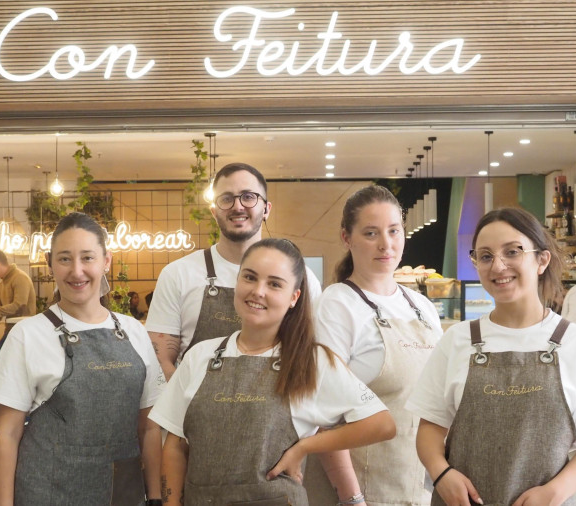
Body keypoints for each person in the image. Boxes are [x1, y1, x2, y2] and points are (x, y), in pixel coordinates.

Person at [406, 208, 576, 506]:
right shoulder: (457, 341)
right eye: (485, 256)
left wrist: (555, 492)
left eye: (512, 252)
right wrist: (441, 474)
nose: (498, 266)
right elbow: (430, 430)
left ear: (542, 260)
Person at [151, 238, 396, 505]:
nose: (258, 291)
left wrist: (305, 446)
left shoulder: (311, 361)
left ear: (294, 297)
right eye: (250, 277)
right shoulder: (199, 357)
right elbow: (175, 445)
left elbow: (381, 424)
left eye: (274, 284)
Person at [0, 212, 164, 505]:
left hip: (122, 492)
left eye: (88, 258)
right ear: (50, 262)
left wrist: (155, 497)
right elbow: (7, 433)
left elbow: (149, 426)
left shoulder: (133, 331)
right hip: (48, 492)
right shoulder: (28, 335)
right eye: (65, 259)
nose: (76, 271)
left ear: (106, 261)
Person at [305, 185, 442, 506]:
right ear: (346, 238)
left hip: (415, 486)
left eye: (394, 231)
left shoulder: (421, 306)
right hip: (360, 490)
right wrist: (352, 498)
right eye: (371, 233)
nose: (386, 244)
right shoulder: (336, 305)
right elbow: (325, 418)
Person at [145, 162, 322, 379]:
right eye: (226, 198)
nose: (237, 206)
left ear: (266, 209)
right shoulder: (177, 274)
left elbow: (310, 352)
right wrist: (187, 406)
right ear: (214, 211)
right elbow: (160, 361)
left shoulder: (300, 276)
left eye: (248, 197)